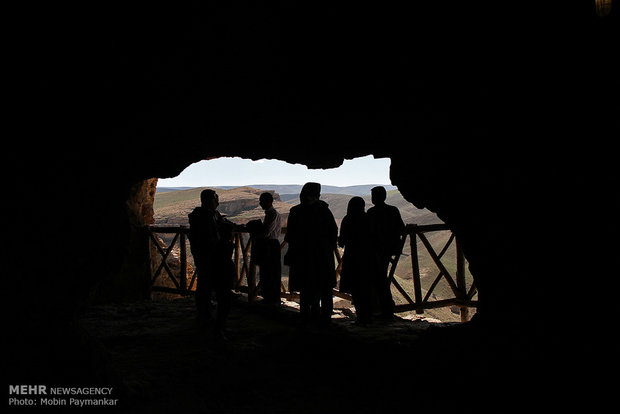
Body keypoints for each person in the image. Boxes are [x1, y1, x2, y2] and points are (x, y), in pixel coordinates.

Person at [284, 182, 338, 326]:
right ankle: (325, 317)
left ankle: (306, 315)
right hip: (322, 255)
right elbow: (333, 231)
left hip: (302, 256)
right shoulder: (324, 210)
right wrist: (329, 247)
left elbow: (289, 235)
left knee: (305, 287)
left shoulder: (295, 211)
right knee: (324, 287)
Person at [188, 189, 238, 338]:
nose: (218, 201)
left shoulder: (208, 215)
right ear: (209, 200)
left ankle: (207, 319)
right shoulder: (205, 217)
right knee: (211, 290)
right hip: (211, 259)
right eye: (216, 198)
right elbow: (207, 240)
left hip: (210, 258)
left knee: (205, 288)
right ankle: (213, 324)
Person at [367, 186, 405, 319]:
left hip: (376, 250)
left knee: (379, 279)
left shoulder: (371, 213)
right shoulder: (393, 210)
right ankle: (386, 308)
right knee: (382, 278)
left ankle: (381, 308)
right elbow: (401, 228)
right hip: (390, 249)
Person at [338, 196, 373, 325]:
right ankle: (368, 316)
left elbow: (342, 241)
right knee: (366, 286)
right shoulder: (368, 218)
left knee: (356, 289)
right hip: (367, 258)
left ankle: (361, 317)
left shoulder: (348, 219)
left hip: (352, 257)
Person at [252, 192, 283, 304]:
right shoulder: (270, 214)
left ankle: (272, 299)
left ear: (269, 201)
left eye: (262, 201)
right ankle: (269, 297)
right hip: (270, 245)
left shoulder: (273, 214)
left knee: (271, 272)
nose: (260, 203)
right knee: (267, 272)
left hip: (271, 245)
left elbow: (266, 232)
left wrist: (256, 234)